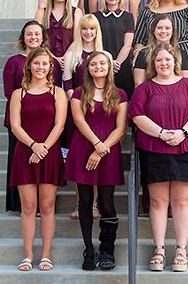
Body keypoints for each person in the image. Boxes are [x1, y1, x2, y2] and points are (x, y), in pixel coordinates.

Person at [129, 42, 188, 272]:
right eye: (159, 60)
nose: (164, 63)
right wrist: (162, 133)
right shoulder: (145, 88)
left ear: (175, 61)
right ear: (154, 63)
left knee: (181, 201)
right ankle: (160, 249)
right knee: (158, 201)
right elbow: (136, 116)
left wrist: (182, 133)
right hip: (155, 148)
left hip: (185, 148)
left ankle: (181, 249)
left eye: (168, 59)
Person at [64, 51, 128, 271]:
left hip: (108, 149)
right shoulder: (79, 93)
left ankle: (107, 249)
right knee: (84, 201)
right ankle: (88, 248)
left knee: (107, 204)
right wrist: (96, 144)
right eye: (94, 64)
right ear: (88, 69)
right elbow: (78, 120)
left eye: (103, 63)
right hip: (83, 146)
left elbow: (121, 128)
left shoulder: (120, 94)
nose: (98, 67)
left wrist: (102, 149)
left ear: (109, 67)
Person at [10, 47, 68, 271]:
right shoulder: (19, 94)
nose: (40, 67)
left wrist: (43, 149)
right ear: (29, 66)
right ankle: (27, 255)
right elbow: (15, 126)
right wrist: (33, 146)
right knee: (28, 207)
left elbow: (60, 125)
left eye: (45, 63)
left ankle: (45, 255)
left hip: (49, 151)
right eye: (36, 63)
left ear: (50, 67)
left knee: (46, 206)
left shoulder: (58, 93)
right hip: (25, 151)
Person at [3, 21, 62, 214]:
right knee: (21, 161)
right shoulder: (14, 61)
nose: (33, 37)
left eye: (37, 34)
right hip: (21, 118)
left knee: (44, 162)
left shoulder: (50, 61)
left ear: (43, 37)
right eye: (29, 34)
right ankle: (23, 205)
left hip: (45, 120)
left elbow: (54, 87)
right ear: (23, 37)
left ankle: (43, 206)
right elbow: (9, 90)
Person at [63, 14, 104, 220]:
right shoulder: (72, 55)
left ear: (97, 32)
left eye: (92, 29)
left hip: (98, 113)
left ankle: (94, 204)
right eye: (84, 29)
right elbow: (67, 85)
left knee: (95, 157)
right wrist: (77, 104)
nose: (88, 33)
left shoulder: (103, 54)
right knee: (80, 158)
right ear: (79, 31)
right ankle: (81, 204)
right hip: (77, 110)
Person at [94, 0, 135, 99]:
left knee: (123, 102)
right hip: (101, 66)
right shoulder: (96, 17)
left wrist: (116, 63)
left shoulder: (128, 17)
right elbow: (95, 42)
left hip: (122, 66)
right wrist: (107, 63)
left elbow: (127, 45)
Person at [35, 0, 83, 69]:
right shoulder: (41, 12)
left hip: (69, 63)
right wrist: (52, 58)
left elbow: (77, 40)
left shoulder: (76, 12)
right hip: (45, 63)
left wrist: (65, 59)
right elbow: (37, 40)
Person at [134, 14, 188, 88]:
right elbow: (138, 84)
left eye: (167, 28)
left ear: (172, 31)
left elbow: (186, 82)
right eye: (159, 28)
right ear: (153, 30)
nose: (163, 31)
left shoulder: (181, 53)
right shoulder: (143, 53)